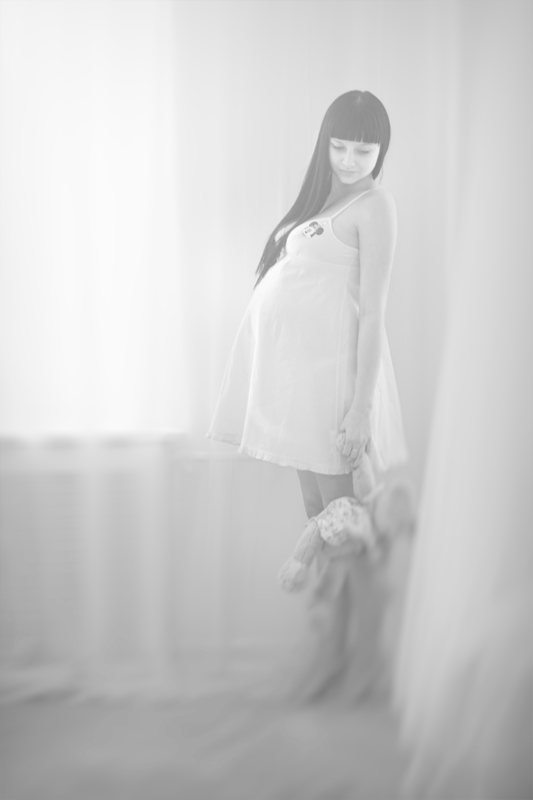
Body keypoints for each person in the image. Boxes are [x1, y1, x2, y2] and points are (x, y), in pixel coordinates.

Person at [207, 90, 407, 521]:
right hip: (302, 384)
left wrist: (361, 409)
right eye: (339, 147)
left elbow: (373, 312)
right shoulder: (323, 199)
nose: (349, 160)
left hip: (332, 384)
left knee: (342, 517)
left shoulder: (375, 205)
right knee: (318, 513)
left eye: (363, 151)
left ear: (381, 150)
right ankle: (324, 571)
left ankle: (347, 574)